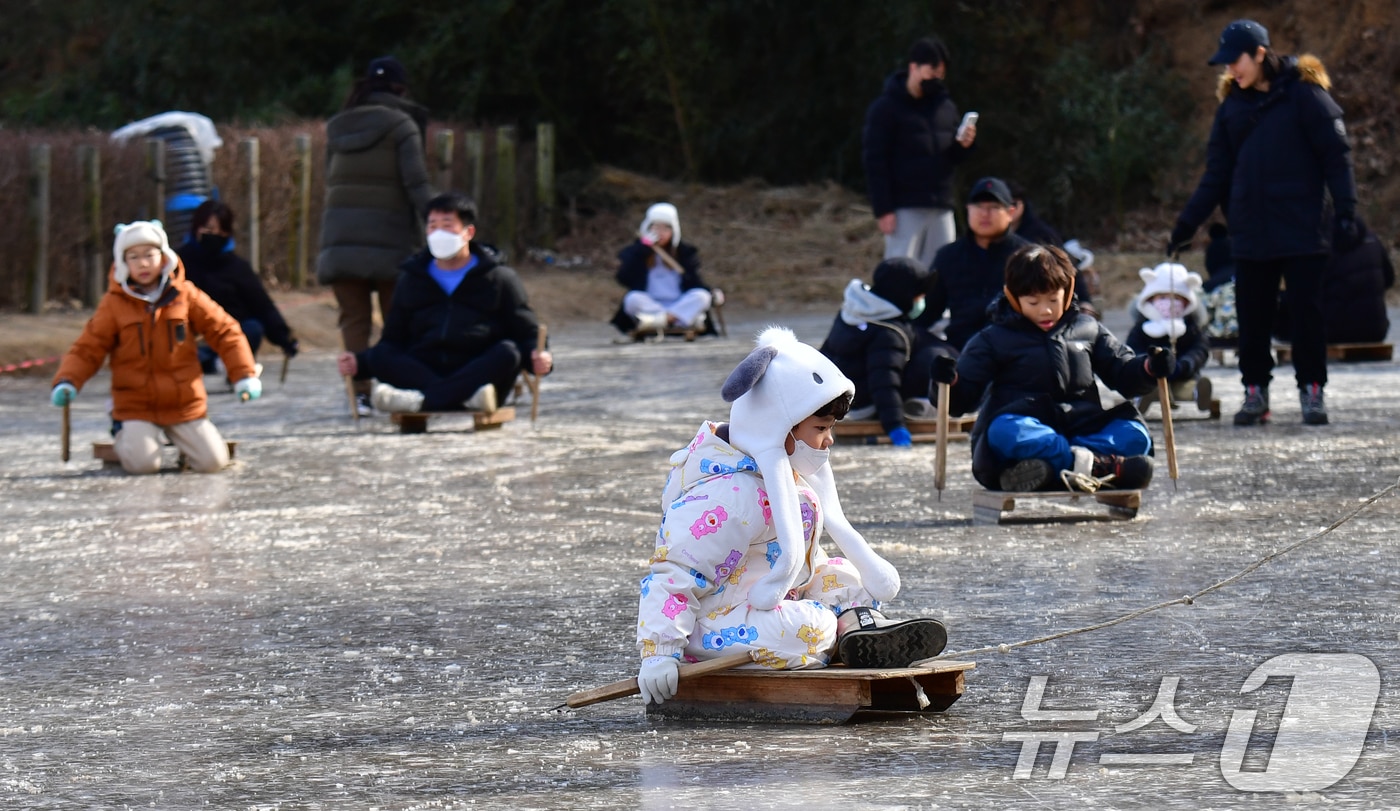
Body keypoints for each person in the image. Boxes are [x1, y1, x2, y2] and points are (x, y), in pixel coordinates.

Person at [634, 327, 947, 705]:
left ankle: (857, 628)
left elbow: (797, 554)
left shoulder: (785, 472)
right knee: (809, 629)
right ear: (778, 427)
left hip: (773, 595)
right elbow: (676, 573)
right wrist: (660, 652)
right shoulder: (726, 497)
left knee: (848, 578)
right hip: (716, 622)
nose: (829, 440)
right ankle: (840, 632)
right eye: (821, 428)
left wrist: (824, 580)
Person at [1167, 19, 1358, 426]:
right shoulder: (1231, 107)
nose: (1230, 69)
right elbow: (1216, 174)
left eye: (1235, 60)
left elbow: (1336, 157)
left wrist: (1346, 211)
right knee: (1252, 316)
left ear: (1259, 53)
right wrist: (1187, 224)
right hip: (1251, 229)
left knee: (1307, 314)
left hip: (1302, 225)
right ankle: (1255, 391)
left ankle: (1312, 390)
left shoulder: (1306, 95)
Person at [931, 245, 1173, 493]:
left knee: (1135, 434)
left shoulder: (1087, 329)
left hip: (1082, 424)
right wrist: (949, 381)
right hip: (1027, 424)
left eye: (1053, 300)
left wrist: (1149, 367)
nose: (1045, 310)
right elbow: (962, 398)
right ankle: (1100, 466)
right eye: (1033, 302)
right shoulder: (992, 339)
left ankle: (1054, 467)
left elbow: (1122, 371)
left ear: (1067, 293)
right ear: (1013, 297)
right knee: (1003, 431)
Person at [49, 220, 260, 474]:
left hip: (184, 403)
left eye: (149, 255)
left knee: (213, 462)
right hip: (135, 405)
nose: (143, 263)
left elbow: (225, 331)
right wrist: (68, 381)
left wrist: (244, 374)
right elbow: (88, 348)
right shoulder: (113, 304)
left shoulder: (186, 294)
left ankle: (183, 441)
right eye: (134, 257)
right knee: (144, 465)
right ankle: (123, 431)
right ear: (123, 263)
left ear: (164, 257)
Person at [337, 192, 551, 414]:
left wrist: (538, 355)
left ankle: (421, 401)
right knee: (381, 356)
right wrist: (359, 363)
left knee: (508, 353)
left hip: (477, 368)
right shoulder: (411, 279)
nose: (439, 233)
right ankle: (467, 398)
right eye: (433, 226)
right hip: (424, 368)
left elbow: (526, 331)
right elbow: (393, 339)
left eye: (447, 226)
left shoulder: (499, 278)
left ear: (469, 232)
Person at [317, 55, 434, 416]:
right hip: (390, 240)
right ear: (401, 88)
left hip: (340, 241)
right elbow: (416, 183)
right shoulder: (402, 125)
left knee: (354, 321)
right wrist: (440, 224)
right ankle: (397, 387)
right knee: (397, 318)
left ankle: (360, 395)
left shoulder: (338, 126)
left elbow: (330, 181)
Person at [862, 35, 977, 271]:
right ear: (913, 67)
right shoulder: (885, 109)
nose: (936, 79)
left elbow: (951, 157)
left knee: (942, 269)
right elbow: (875, 161)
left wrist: (964, 145)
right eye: (931, 71)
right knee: (900, 270)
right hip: (904, 205)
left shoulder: (945, 107)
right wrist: (883, 209)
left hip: (941, 203)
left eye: (940, 74)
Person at [819, 257, 938, 446]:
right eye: (919, 296)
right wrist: (895, 426)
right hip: (864, 405)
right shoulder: (888, 333)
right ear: (904, 294)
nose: (921, 301)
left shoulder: (853, 311)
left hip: (841, 396)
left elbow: (826, 354)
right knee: (925, 362)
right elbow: (884, 383)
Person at [176, 200, 298, 375]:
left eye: (220, 231)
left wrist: (285, 338)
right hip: (192, 337)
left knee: (252, 329)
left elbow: (262, 306)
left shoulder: (238, 268)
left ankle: (232, 364)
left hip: (227, 335)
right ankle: (207, 363)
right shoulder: (179, 263)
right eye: (208, 229)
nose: (213, 235)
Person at [912, 177, 1031, 354]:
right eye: (979, 207)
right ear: (968, 209)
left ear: (1011, 212)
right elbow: (928, 311)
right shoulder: (948, 256)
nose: (985, 214)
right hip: (959, 347)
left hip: (1012, 346)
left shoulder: (1026, 257)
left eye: (994, 207)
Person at [1274, 217, 1394, 344]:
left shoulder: (1319, 243)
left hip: (1333, 331)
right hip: (1375, 331)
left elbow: (1304, 292)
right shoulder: (1372, 239)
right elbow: (1389, 279)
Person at [609, 203, 714, 338]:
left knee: (702, 296)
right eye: (656, 227)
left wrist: (711, 292)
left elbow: (694, 281)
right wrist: (642, 250)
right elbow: (623, 278)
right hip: (650, 305)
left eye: (666, 228)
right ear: (648, 228)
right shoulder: (635, 252)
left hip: (679, 303)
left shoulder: (684, 253)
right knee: (632, 299)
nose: (660, 232)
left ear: (674, 230)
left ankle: (663, 321)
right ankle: (675, 321)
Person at [1125, 262, 1213, 413]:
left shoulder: (1191, 328)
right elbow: (1132, 348)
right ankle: (1144, 396)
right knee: (1142, 384)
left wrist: (1185, 364)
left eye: (1176, 298)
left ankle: (1198, 392)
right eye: (1163, 297)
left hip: (1182, 374)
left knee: (1187, 386)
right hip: (1149, 374)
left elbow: (1200, 349)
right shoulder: (1142, 327)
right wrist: (1147, 364)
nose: (1170, 303)